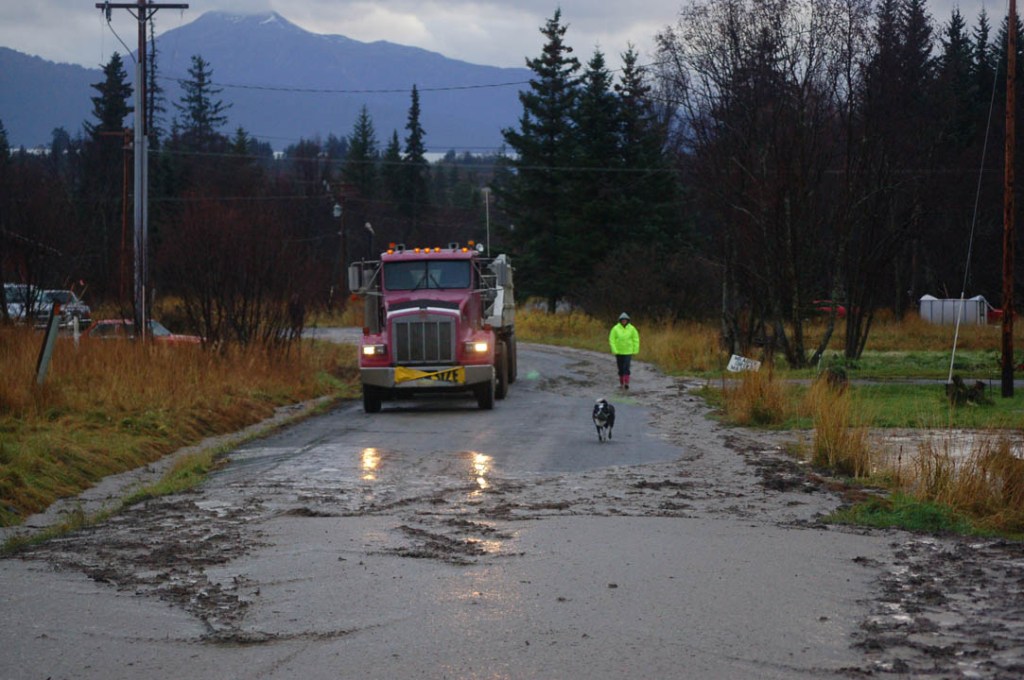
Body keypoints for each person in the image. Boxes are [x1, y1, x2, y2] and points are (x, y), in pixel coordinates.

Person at [608, 312, 640, 389]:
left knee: (626, 367)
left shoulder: (632, 329)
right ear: (620, 320)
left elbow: (636, 339)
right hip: (619, 351)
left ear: (628, 321)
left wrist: (635, 350)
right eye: (622, 320)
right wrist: (614, 349)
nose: (624, 321)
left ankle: (627, 383)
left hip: (628, 351)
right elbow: (611, 339)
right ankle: (621, 382)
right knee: (620, 367)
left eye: (625, 320)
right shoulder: (615, 328)